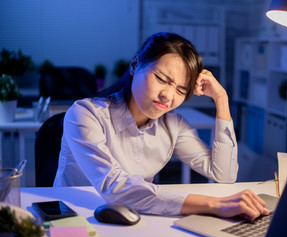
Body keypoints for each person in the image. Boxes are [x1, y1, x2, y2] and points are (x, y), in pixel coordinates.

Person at [54, 32, 269, 220]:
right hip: (73, 217)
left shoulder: (173, 125)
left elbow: (224, 174)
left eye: (181, 90)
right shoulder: (85, 114)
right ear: (135, 65)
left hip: (136, 218)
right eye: (161, 78)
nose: (167, 95)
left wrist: (221, 99)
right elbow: (114, 186)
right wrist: (212, 204)